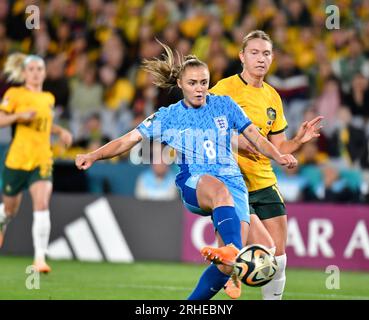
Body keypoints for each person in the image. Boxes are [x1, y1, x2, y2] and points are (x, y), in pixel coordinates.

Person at [75, 41, 297, 300]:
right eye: (193, 83)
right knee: (220, 194)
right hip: (195, 182)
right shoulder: (168, 116)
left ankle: (206, 289)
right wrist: (94, 154)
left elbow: (256, 138)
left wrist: (278, 155)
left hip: (235, 185)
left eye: (204, 82)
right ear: (180, 84)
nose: (200, 88)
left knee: (239, 260)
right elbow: (128, 140)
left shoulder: (225, 105)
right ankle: (232, 255)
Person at [210, 30, 323, 300]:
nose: (261, 58)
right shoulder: (225, 89)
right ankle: (220, 282)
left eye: (266, 53)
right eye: (255, 52)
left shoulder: (273, 96)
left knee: (278, 259)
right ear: (242, 56)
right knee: (244, 256)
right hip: (232, 180)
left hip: (264, 180)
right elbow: (204, 127)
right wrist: (237, 141)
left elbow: (278, 147)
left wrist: (297, 141)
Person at [0, 53, 73, 273]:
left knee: (41, 205)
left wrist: (60, 131)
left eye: (39, 69)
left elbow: (44, 125)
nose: (35, 73)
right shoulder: (14, 94)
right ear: (23, 73)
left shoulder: (48, 98)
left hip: (42, 159)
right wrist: (18, 117)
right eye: (30, 69)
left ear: (44, 73)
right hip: (17, 159)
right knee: (10, 210)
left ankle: (39, 259)